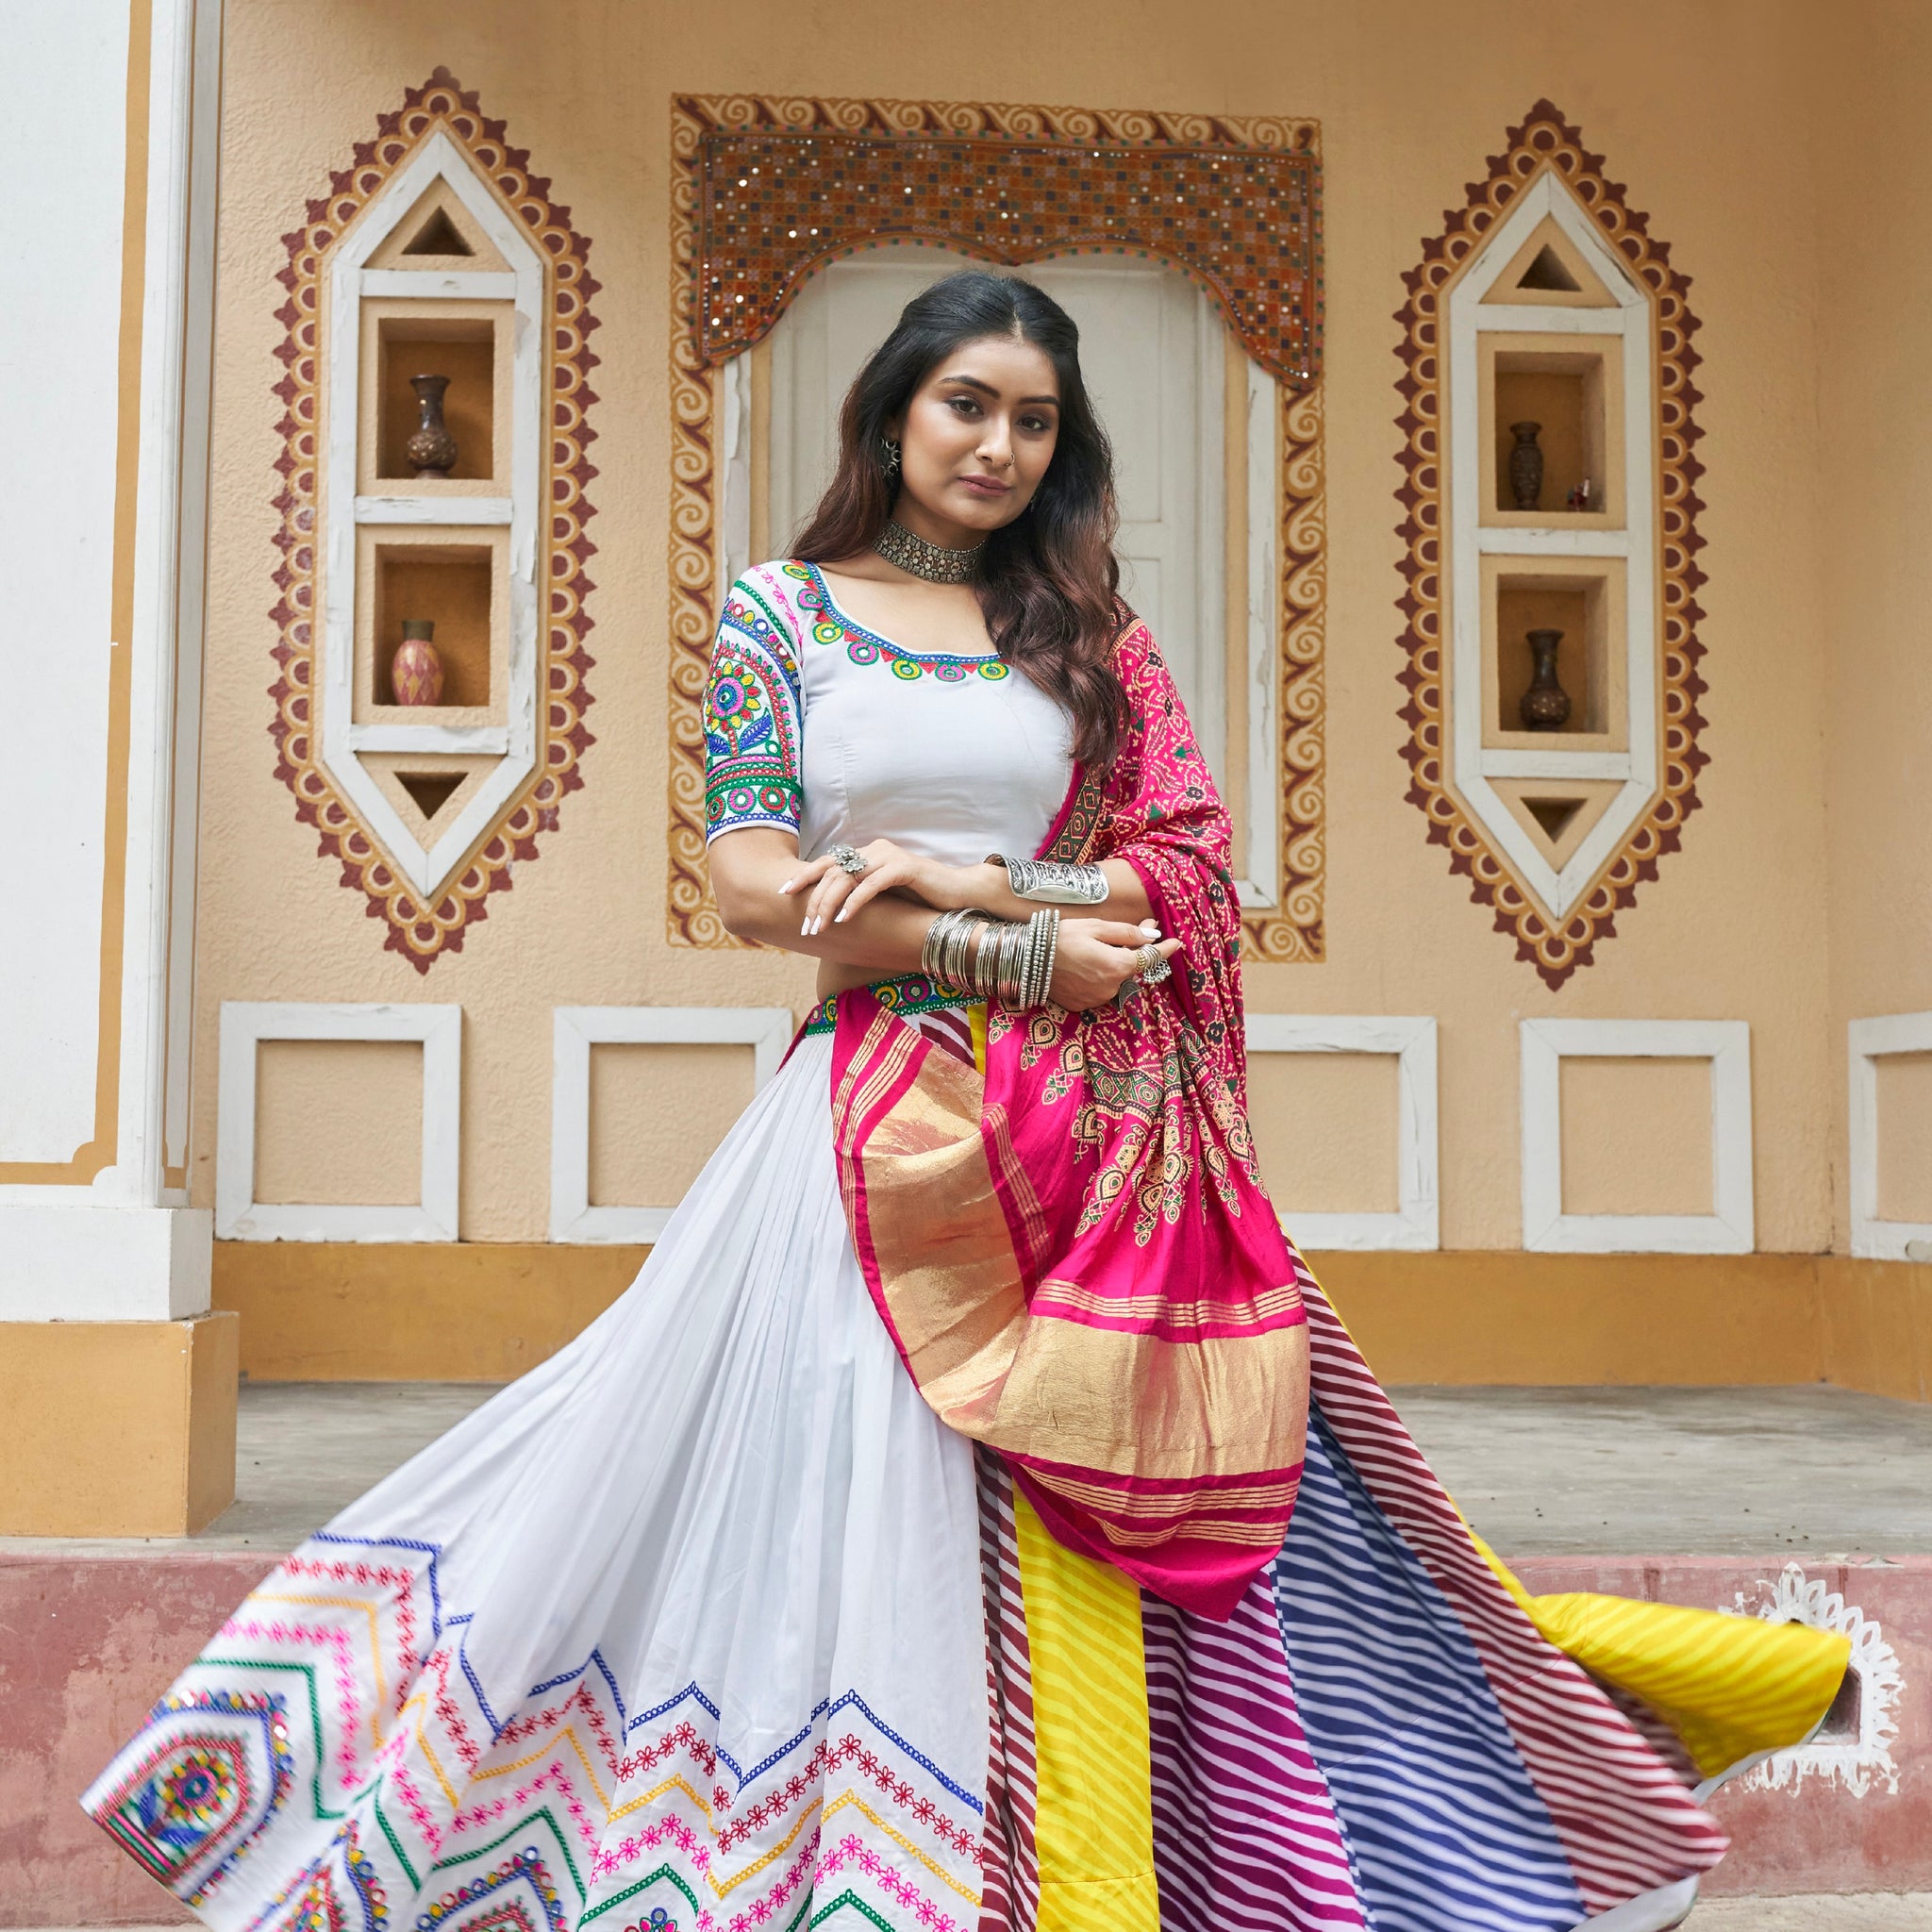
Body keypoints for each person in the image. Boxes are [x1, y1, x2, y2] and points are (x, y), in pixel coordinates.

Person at [85, 270, 1845, 1932]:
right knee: (764, 1473)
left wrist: (973, 883)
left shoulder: (1084, 630)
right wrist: (1007, 947)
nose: (998, 448)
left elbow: (1190, 875)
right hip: (879, 1134)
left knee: (1271, 1518)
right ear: (896, 408)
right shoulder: (781, 613)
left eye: (1033, 422)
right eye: (965, 405)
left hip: (1098, 1140)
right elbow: (760, 888)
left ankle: (1237, 1854)